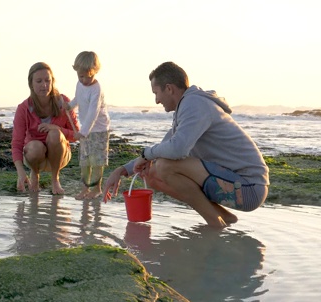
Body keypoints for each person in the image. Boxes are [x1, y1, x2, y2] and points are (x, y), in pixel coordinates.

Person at [103, 61, 269, 228]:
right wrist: (122, 170)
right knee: (152, 174)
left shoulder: (195, 105)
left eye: (156, 93)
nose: (156, 100)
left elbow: (177, 150)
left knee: (165, 166)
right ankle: (222, 217)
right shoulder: (186, 108)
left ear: (169, 89)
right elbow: (164, 148)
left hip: (249, 189)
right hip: (231, 183)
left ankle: (215, 224)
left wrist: (147, 154)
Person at [12, 62, 80, 195]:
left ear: (52, 81)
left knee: (55, 134)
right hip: (34, 156)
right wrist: (20, 173)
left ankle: (55, 179)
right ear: (31, 84)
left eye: (47, 80)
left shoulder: (63, 102)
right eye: (39, 81)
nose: (44, 85)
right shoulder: (23, 108)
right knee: (35, 147)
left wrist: (56, 128)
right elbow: (17, 143)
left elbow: (76, 135)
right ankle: (34, 174)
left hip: (59, 155)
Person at [65, 51, 111, 200]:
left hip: (99, 130)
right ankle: (85, 189)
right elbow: (78, 98)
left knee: (97, 161)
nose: (84, 80)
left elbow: (93, 113)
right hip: (86, 129)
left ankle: (97, 188)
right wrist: (70, 106)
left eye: (88, 76)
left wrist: (82, 132)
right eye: (81, 76)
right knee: (85, 161)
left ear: (95, 72)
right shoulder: (80, 84)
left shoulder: (96, 90)